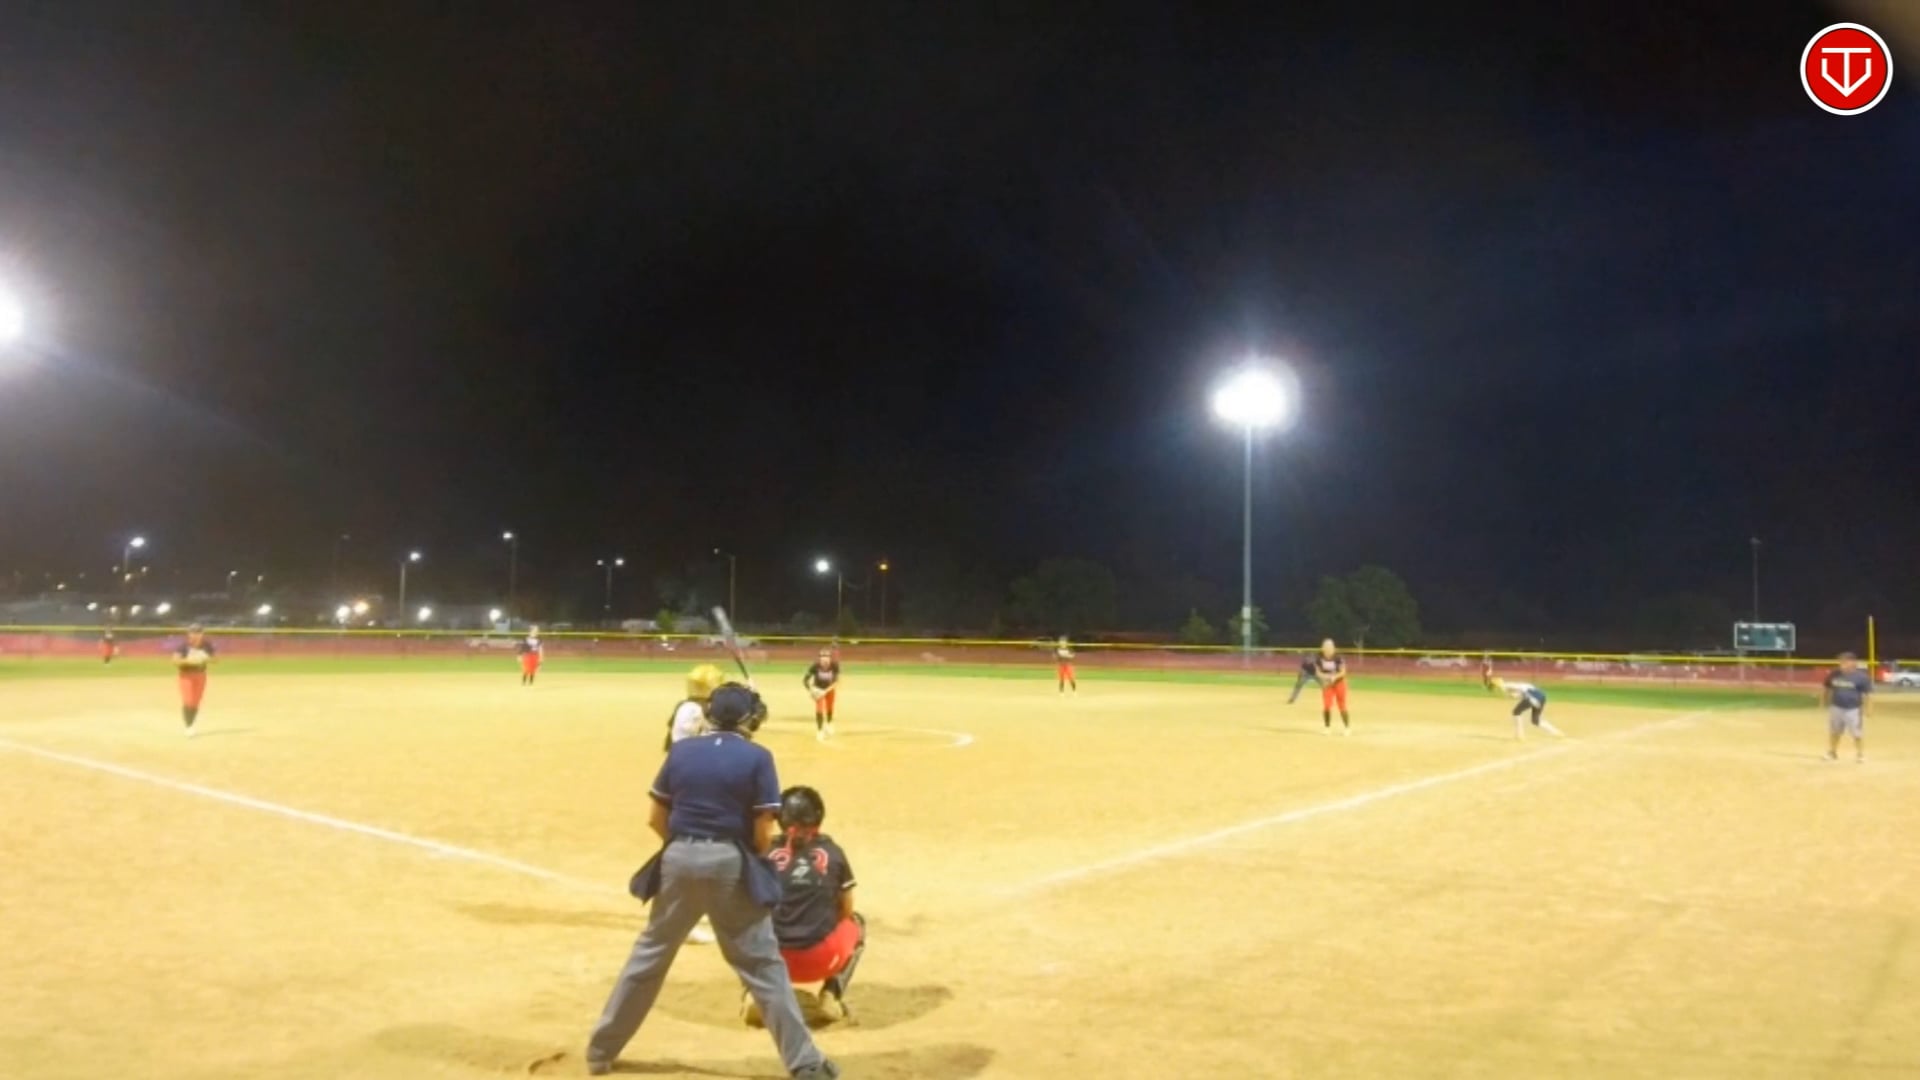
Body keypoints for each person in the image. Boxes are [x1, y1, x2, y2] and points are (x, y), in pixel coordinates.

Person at [587, 684, 838, 1079]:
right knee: (763, 966)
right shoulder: (758, 757)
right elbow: (762, 834)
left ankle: (600, 1052)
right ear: (747, 720)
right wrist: (743, 861)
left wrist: (684, 849)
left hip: (677, 859)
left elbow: (655, 817)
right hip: (729, 862)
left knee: (648, 957)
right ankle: (806, 1064)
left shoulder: (682, 751)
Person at [745, 786, 865, 1027]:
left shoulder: (764, 851)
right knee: (858, 923)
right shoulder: (833, 853)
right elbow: (846, 910)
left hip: (773, 958)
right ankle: (831, 994)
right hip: (821, 960)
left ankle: (755, 994)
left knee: (744, 923)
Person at [666, 663, 730, 947]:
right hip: (689, 790)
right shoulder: (691, 711)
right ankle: (682, 922)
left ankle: (694, 912)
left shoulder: (699, 709)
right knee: (691, 853)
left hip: (694, 786)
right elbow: (700, 744)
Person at [1821, 651, 1872, 763]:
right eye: (1841, 661)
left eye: (1844, 661)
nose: (1841, 664)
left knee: (1856, 733)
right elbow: (1826, 687)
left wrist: (1868, 709)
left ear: (1852, 663)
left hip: (1853, 709)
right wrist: (1824, 701)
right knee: (1835, 731)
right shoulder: (1834, 674)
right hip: (1836, 707)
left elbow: (1867, 694)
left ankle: (1860, 754)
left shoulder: (1861, 677)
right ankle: (1832, 752)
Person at [173, 624, 217, 736]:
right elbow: (175, 661)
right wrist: (190, 661)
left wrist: (206, 658)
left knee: (196, 702)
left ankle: (191, 724)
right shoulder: (184, 646)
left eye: (198, 633)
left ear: (202, 634)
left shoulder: (206, 645)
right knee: (188, 700)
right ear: (188, 634)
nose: (195, 635)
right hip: (186, 675)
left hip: (201, 675)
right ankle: (188, 726)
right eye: (193, 633)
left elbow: (216, 659)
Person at [1488, 676, 1564, 740]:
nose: (1495, 689)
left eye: (1494, 686)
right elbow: (1521, 693)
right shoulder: (1507, 687)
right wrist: (1515, 695)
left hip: (1533, 697)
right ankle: (1556, 732)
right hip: (1541, 697)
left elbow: (1524, 691)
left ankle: (1519, 735)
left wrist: (1528, 698)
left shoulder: (1507, 686)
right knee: (1535, 721)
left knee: (1516, 712)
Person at [802, 648, 841, 741]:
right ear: (819, 658)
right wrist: (811, 690)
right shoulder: (815, 666)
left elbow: (836, 682)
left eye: (827, 657)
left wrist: (826, 691)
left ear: (830, 658)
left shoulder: (834, 666)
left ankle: (829, 723)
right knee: (819, 709)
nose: (825, 659)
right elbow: (805, 680)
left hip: (830, 689)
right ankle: (819, 731)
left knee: (830, 707)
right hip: (818, 690)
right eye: (823, 657)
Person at [1315, 638, 1351, 735]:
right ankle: (1327, 728)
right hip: (1328, 684)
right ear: (1323, 648)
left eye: (1330, 647)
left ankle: (1347, 728)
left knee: (1341, 705)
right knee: (1327, 705)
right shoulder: (1319, 657)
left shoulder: (1338, 657)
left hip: (1339, 682)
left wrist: (1334, 677)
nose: (1328, 650)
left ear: (1333, 648)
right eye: (1326, 647)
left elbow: (1343, 672)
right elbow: (1318, 672)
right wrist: (1326, 677)